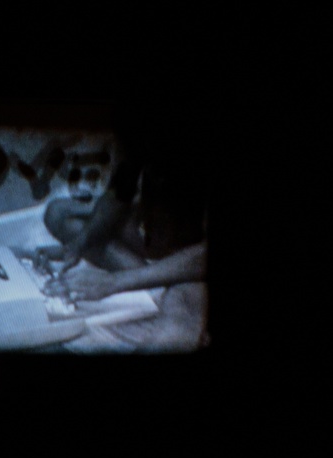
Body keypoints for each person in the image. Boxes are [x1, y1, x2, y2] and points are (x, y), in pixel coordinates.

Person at [41, 103, 211, 353]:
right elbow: (120, 192)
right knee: (58, 213)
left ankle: (173, 293)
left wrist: (116, 282)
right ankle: (160, 288)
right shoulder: (136, 133)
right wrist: (79, 245)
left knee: (173, 332)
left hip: (194, 263)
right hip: (155, 238)